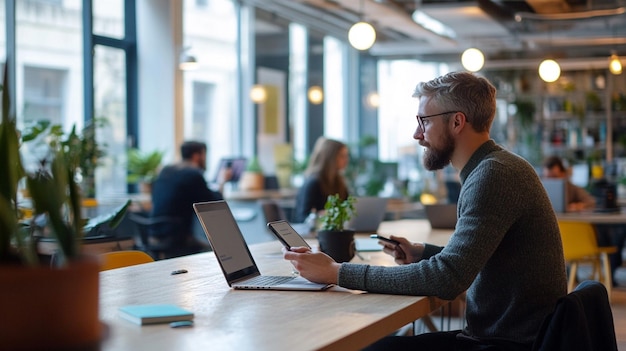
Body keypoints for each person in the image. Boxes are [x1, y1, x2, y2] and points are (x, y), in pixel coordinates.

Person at [284, 71, 567, 350]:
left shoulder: (493, 175)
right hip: (508, 336)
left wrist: (336, 272)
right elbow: (478, 261)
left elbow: (448, 279)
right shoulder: (496, 167)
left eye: (424, 121)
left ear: (457, 122)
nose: (417, 134)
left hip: (507, 344)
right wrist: (424, 253)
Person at [150, 141, 231, 259]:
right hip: (178, 237)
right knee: (217, 250)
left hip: (155, 233)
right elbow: (214, 202)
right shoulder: (193, 174)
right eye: (204, 155)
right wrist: (222, 180)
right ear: (197, 156)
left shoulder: (166, 170)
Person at [293, 137, 350, 223]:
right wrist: (321, 216)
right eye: (342, 156)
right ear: (330, 158)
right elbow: (302, 218)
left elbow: (347, 207)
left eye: (346, 156)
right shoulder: (313, 183)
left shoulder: (339, 182)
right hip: (315, 234)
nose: (346, 160)